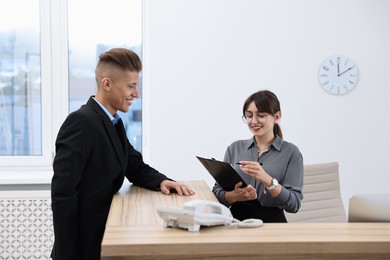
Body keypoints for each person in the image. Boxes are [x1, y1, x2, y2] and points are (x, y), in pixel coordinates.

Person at [51, 48, 195, 260]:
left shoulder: (112, 122)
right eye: (131, 86)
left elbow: (133, 165)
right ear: (107, 84)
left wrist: (162, 181)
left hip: (105, 236)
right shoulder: (81, 122)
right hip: (83, 246)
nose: (136, 94)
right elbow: (63, 194)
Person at [212, 90, 303, 223]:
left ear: (277, 117)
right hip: (235, 223)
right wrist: (233, 196)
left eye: (260, 115)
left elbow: (294, 205)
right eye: (249, 116)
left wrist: (268, 180)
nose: (253, 121)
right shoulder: (234, 148)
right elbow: (216, 192)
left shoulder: (291, 152)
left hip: (272, 225)